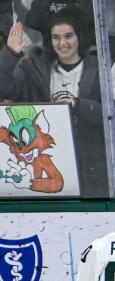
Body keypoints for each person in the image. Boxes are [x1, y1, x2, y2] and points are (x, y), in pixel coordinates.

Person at [0, 10, 106, 195]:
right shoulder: (34, 68)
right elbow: (3, 87)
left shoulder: (99, 68)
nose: (62, 43)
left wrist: (79, 105)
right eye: (56, 37)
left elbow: (113, 115)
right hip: (47, 157)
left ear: (79, 37)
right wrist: (10, 53)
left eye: (68, 36)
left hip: (89, 159)